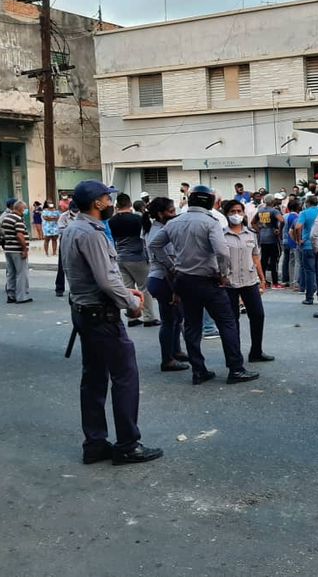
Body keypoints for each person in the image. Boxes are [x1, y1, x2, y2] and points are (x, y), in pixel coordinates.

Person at [60, 180, 162, 466]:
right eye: (107, 198)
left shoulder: (72, 229)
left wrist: (124, 292)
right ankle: (128, 444)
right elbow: (106, 279)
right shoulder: (91, 233)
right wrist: (131, 303)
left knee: (93, 379)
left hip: (84, 311)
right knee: (124, 376)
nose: (110, 202)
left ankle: (94, 443)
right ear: (97, 203)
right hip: (99, 315)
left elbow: (97, 276)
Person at [148, 185, 260, 386]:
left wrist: (171, 266)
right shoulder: (210, 222)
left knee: (192, 326)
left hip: (183, 279)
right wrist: (223, 274)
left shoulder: (175, 222)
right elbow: (222, 252)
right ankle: (236, 368)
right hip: (208, 279)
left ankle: (198, 371)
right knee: (227, 323)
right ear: (208, 201)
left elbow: (154, 245)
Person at [222, 200, 274, 363]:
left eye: (239, 211)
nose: (236, 214)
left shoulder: (250, 234)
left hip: (250, 281)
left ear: (244, 213)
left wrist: (262, 277)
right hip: (229, 282)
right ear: (227, 214)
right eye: (232, 211)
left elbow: (255, 256)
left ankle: (256, 351)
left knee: (258, 315)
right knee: (232, 320)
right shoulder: (220, 235)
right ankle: (235, 355)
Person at [142, 197, 189, 372]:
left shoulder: (160, 227)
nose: (174, 214)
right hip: (163, 279)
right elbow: (156, 249)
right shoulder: (158, 232)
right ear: (160, 214)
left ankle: (175, 351)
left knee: (176, 318)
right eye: (170, 211)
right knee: (169, 320)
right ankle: (167, 359)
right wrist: (172, 267)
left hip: (161, 278)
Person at [108, 193, 159, 328]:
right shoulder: (137, 219)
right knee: (144, 287)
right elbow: (145, 237)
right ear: (130, 204)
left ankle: (132, 317)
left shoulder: (112, 221)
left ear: (117, 205)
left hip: (120, 257)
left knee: (129, 288)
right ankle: (149, 317)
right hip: (137, 257)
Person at [294, 196, 318, 306]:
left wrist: (299, 240)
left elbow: (297, 227)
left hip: (307, 245)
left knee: (309, 272)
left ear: (307, 203)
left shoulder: (304, 213)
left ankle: (309, 297)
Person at [1, 200, 31, 304]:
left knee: (11, 273)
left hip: (9, 248)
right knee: (21, 273)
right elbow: (19, 235)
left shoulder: (6, 218)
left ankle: (11, 295)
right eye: (25, 208)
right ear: (20, 208)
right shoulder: (18, 219)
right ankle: (21, 296)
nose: (26, 210)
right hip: (17, 249)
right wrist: (24, 249)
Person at [252, 195, 284, 288]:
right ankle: (275, 282)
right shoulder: (274, 211)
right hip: (272, 238)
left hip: (263, 237)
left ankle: (264, 281)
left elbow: (253, 222)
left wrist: (259, 230)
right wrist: (279, 230)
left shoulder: (260, 210)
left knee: (264, 260)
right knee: (274, 260)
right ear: (273, 201)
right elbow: (282, 220)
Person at [55, 200, 79, 297]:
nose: (75, 212)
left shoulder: (81, 215)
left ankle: (76, 288)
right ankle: (59, 288)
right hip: (65, 241)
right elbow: (61, 230)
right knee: (62, 265)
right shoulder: (64, 216)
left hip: (78, 241)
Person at [281, 198, 301, 288]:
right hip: (293, 241)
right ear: (297, 208)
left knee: (289, 261)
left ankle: (289, 279)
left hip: (285, 240)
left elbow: (280, 227)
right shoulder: (297, 217)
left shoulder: (284, 216)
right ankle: (295, 281)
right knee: (297, 261)